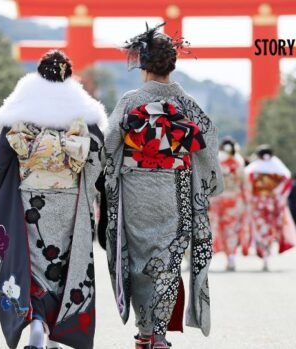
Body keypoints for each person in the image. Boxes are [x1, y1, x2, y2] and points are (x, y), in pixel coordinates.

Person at [103, 24, 223, 349]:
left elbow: (109, 144)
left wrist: (107, 181)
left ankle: (145, 331)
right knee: (168, 261)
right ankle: (158, 335)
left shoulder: (130, 102)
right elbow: (208, 145)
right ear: (172, 64)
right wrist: (209, 184)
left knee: (139, 261)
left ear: (143, 66)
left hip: (134, 190)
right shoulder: (188, 105)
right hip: (176, 189)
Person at [0, 50, 107, 349]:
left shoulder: (21, 109)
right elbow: (97, 157)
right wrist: (94, 192)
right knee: (62, 261)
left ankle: (38, 324)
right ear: (69, 74)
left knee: (34, 260)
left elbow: (1, 161)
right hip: (69, 198)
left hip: (30, 198)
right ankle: (54, 328)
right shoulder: (82, 111)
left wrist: (2, 194)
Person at [245, 145, 296, 271]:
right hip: (272, 205)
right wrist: (277, 196)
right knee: (269, 231)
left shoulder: (253, 170)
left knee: (260, 230)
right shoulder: (279, 170)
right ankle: (266, 255)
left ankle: (263, 253)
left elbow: (246, 185)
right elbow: (286, 184)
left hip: (257, 204)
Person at [209, 138, 247, 271]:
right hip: (235, 200)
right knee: (232, 230)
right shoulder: (239, 165)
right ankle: (231, 257)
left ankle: (211, 256)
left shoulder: (217, 164)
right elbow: (245, 184)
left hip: (219, 199)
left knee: (216, 228)